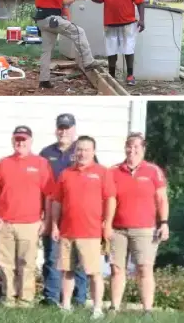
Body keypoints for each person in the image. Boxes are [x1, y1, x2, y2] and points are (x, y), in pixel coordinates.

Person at [0, 126, 53, 307]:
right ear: (12, 141)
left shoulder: (41, 164)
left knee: (27, 263)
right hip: (5, 223)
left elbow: (49, 195)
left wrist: (45, 220)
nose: (20, 142)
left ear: (30, 141)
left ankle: (25, 299)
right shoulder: (2, 164)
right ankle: (9, 297)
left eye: (24, 139)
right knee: (6, 264)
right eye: (17, 139)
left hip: (30, 223)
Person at [51, 136, 116, 319]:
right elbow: (57, 201)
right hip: (67, 231)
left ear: (93, 152)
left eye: (86, 149)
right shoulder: (65, 174)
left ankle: (97, 309)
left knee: (94, 273)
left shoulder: (103, 172)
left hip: (92, 232)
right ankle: (65, 306)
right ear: (74, 151)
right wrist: (55, 225)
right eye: (79, 149)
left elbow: (110, 199)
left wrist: (108, 224)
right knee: (67, 271)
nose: (82, 153)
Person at [107, 133, 169, 315]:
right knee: (117, 269)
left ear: (143, 149)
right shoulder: (113, 171)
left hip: (144, 229)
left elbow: (162, 199)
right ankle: (114, 308)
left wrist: (164, 223)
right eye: (129, 146)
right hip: (118, 229)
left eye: (136, 147)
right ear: (125, 148)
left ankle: (147, 310)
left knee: (144, 268)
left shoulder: (153, 171)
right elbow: (107, 200)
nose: (132, 150)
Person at [38, 114, 89, 307]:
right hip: (52, 211)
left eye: (67, 128)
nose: (64, 131)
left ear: (74, 129)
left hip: (77, 213)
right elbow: (40, 186)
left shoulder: (83, 151)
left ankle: (79, 298)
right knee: (51, 256)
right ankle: (51, 296)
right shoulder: (45, 153)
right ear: (56, 129)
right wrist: (43, 215)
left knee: (78, 258)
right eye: (61, 127)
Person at [35, 0, 105, 89]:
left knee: (46, 51)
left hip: (42, 19)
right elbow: (65, 1)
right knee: (79, 32)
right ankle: (88, 61)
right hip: (52, 19)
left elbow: (58, 0)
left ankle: (44, 80)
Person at [85, 0, 145, 86]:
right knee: (111, 51)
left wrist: (142, 19)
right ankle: (111, 76)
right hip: (110, 23)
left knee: (128, 49)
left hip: (128, 23)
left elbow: (140, 2)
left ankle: (130, 76)